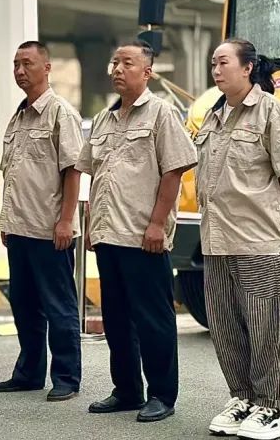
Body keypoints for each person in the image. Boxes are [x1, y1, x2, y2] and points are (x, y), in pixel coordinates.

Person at [194, 39, 280, 440]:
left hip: (259, 239)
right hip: (217, 239)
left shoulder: (274, 112)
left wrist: (267, 212)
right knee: (226, 324)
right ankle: (242, 397)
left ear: (248, 68)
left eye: (224, 62)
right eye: (213, 64)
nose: (217, 70)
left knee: (267, 326)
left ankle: (272, 408)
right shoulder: (212, 115)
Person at [78, 41, 196, 423]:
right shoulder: (103, 120)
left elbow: (174, 170)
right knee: (116, 319)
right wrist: (92, 223)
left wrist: (158, 223)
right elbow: (96, 177)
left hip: (144, 235)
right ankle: (126, 389)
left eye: (126, 63)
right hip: (109, 234)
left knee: (153, 319)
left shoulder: (161, 113)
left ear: (146, 72)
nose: (116, 68)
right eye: (114, 61)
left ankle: (162, 393)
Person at [0, 41, 84, 402]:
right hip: (19, 228)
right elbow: (14, 173)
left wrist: (66, 221)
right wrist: (5, 221)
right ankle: (29, 372)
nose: (19, 70)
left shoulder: (61, 113)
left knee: (59, 305)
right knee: (24, 306)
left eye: (27, 63)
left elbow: (73, 170)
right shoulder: (17, 116)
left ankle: (66, 376)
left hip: (51, 230)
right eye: (15, 64)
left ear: (47, 67)